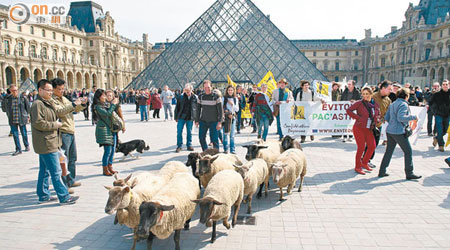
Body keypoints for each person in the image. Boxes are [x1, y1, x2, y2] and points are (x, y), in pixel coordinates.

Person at [31, 79, 79, 205]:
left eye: (51, 90)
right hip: (47, 142)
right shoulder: (37, 104)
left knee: (44, 171)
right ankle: (64, 197)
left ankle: (43, 195)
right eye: (48, 90)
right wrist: (55, 125)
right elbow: (38, 123)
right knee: (56, 171)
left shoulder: (47, 102)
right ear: (40, 90)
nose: (50, 93)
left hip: (49, 140)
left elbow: (58, 112)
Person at [378, 88, 421, 180]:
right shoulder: (404, 104)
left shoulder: (393, 104)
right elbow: (401, 118)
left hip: (390, 131)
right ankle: (409, 172)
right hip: (399, 132)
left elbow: (387, 117)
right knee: (408, 151)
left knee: (388, 151)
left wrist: (393, 124)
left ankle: (382, 171)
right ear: (406, 96)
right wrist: (413, 117)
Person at [51, 78, 85, 188]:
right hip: (63, 132)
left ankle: (71, 180)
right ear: (53, 89)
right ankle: (65, 183)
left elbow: (75, 110)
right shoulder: (53, 101)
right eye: (59, 89)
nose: (62, 91)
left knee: (73, 158)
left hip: (70, 130)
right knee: (64, 159)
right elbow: (60, 112)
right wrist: (73, 105)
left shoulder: (64, 98)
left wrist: (82, 104)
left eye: (63, 88)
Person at [346, 87, 380, 175]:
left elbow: (377, 114)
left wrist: (377, 119)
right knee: (361, 147)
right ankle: (357, 167)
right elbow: (348, 110)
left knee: (372, 146)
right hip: (359, 128)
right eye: (363, 94)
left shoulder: (375, 104)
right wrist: (358, 118)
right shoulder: (359, 103)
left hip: (369, 128)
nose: (365, 96)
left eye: (367, 94)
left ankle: (364, 163)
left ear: (371, 94)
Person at [363, 80, 392, 169]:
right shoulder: (373, 96)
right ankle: (365, 161)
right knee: (370, 144)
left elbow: (388, 112)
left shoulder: (388, 100)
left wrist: (384, 119)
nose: (390, 91)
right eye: (389, 89)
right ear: (382, 88)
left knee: (374, 144)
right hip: (370, 124)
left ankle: (367, 160)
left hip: (379, 125)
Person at [93, 89, 119, 176]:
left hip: (108, 129)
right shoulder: (98, 107)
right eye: (103, 95)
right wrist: (113, 105)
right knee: (107, 151)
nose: (105, 97)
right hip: (103, 131)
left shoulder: (103, 105)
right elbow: (107, 114)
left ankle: (109, 167)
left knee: (111, 150)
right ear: (99, 97)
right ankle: (105, 169)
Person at [3, 84, 30, 156]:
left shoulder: (23, 98)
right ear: (10, 91)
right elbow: (4, 109)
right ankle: (18, 149)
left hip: (21, 118)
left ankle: (26, 145)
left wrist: (28, 116)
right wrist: (5, 98)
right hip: (12, 119)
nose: (15, 92)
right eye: (13, 90)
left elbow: (27, 108)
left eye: (16, 90)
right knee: (15, 135)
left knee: (24, 133)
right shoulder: (8, 99)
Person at [195, 80, 223, 151]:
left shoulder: (216, 97)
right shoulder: (200, 96)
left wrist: (220, 122)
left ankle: (216, 154)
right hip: (203, 121)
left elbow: (220, 111)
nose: (207, 89)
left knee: (214, 139)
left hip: (214, 121)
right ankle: (206, 152)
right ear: (203, 88)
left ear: (211, 87)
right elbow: (198, 110)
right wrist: (196, 120)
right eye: (205, 87)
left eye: (208, 87)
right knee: (201, 138)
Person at [174, 83, 198, 152]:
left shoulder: (195, 97)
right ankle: (179, 146)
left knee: (189, 132)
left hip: (190, 117)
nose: (187, 92)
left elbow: (196, 109)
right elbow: (177, 107)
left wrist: (196, 119)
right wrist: (176, 117)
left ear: (191, 90)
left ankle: (189, 145)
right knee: (179, 132)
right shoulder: (181, 97)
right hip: (181, 117)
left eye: (188, 90)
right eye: (186, 90)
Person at [430, 79, 450, 152]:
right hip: (438, 114)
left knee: (446, 129)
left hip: (447, 115)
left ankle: (436, 138)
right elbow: (431, 103)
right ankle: (441, 145)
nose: (445, 86)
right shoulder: (437, 94)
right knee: (439, 129)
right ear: (441, 86)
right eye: (443, 84)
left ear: (449, 85)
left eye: (446, 84)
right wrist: (434, 112)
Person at [222, 85, 239, 154]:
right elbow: (221, 107)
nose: (230, 91)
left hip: (233, 118)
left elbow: (237, 109)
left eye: (231, 90)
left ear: (233, 91)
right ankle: (225, 149)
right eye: (229, 90)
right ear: (227, 91)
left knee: (232, 135)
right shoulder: (224, 98)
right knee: (225, 133)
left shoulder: (235, 99)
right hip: (226, 118)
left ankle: (232, 149)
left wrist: (232, 104)